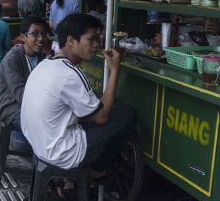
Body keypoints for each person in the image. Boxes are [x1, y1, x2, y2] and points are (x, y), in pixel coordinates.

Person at [21, 13, 135, 177]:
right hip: (62, 152)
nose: (97, 45)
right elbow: (101, 117)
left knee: (95, 108)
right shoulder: (70, 73)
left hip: (39, 145)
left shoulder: (45, 64)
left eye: (98, 39)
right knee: (126, 114)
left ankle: (68, 180)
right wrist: (115, 70)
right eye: (91, 39)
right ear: (71, 41)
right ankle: (97, 170)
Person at [0, 17, 48, 130]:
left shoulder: (43, 56)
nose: (41, 39)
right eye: (35, 34)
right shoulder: (12, 59)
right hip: (13, 108)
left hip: (36, 106)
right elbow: (20, 94)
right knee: (45, 126)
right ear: (23, 37)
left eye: (43, 34)